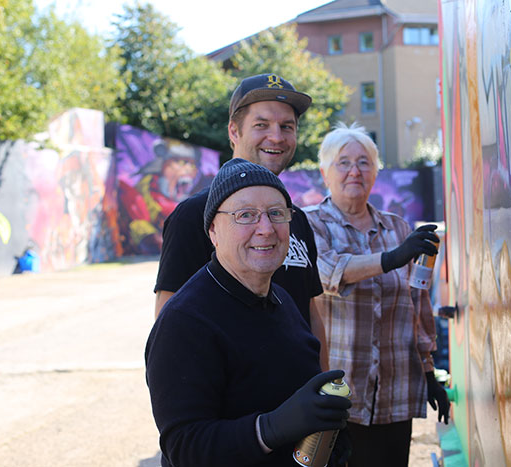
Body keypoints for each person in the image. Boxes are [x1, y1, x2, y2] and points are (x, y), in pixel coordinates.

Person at [145, 158, 352, 467]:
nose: (266, 229)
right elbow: (184, 448)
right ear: (213, 231)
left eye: (276, 214)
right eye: (246, 215)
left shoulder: (280, 299)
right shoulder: (185, 321)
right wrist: (270, 429)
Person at [153, 73, 329, 369]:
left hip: (301, 403)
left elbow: (311, 311)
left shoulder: (293, 220)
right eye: (261, 125)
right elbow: (167, 326)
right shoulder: (194, 215)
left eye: (287, 127)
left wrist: (325, 385)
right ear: (234, 132)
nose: (276, 136)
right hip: (234, 408)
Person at [303, 122, 449, 467]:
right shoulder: (310, 224)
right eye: (343, 162)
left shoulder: (398, 228)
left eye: (364, 162)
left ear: (375, 173)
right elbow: (328, 273)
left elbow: (417, 303)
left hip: (396, 391)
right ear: (325, 172)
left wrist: (428, 372)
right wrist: (393, 258)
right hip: (337, 393)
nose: (355, 170)